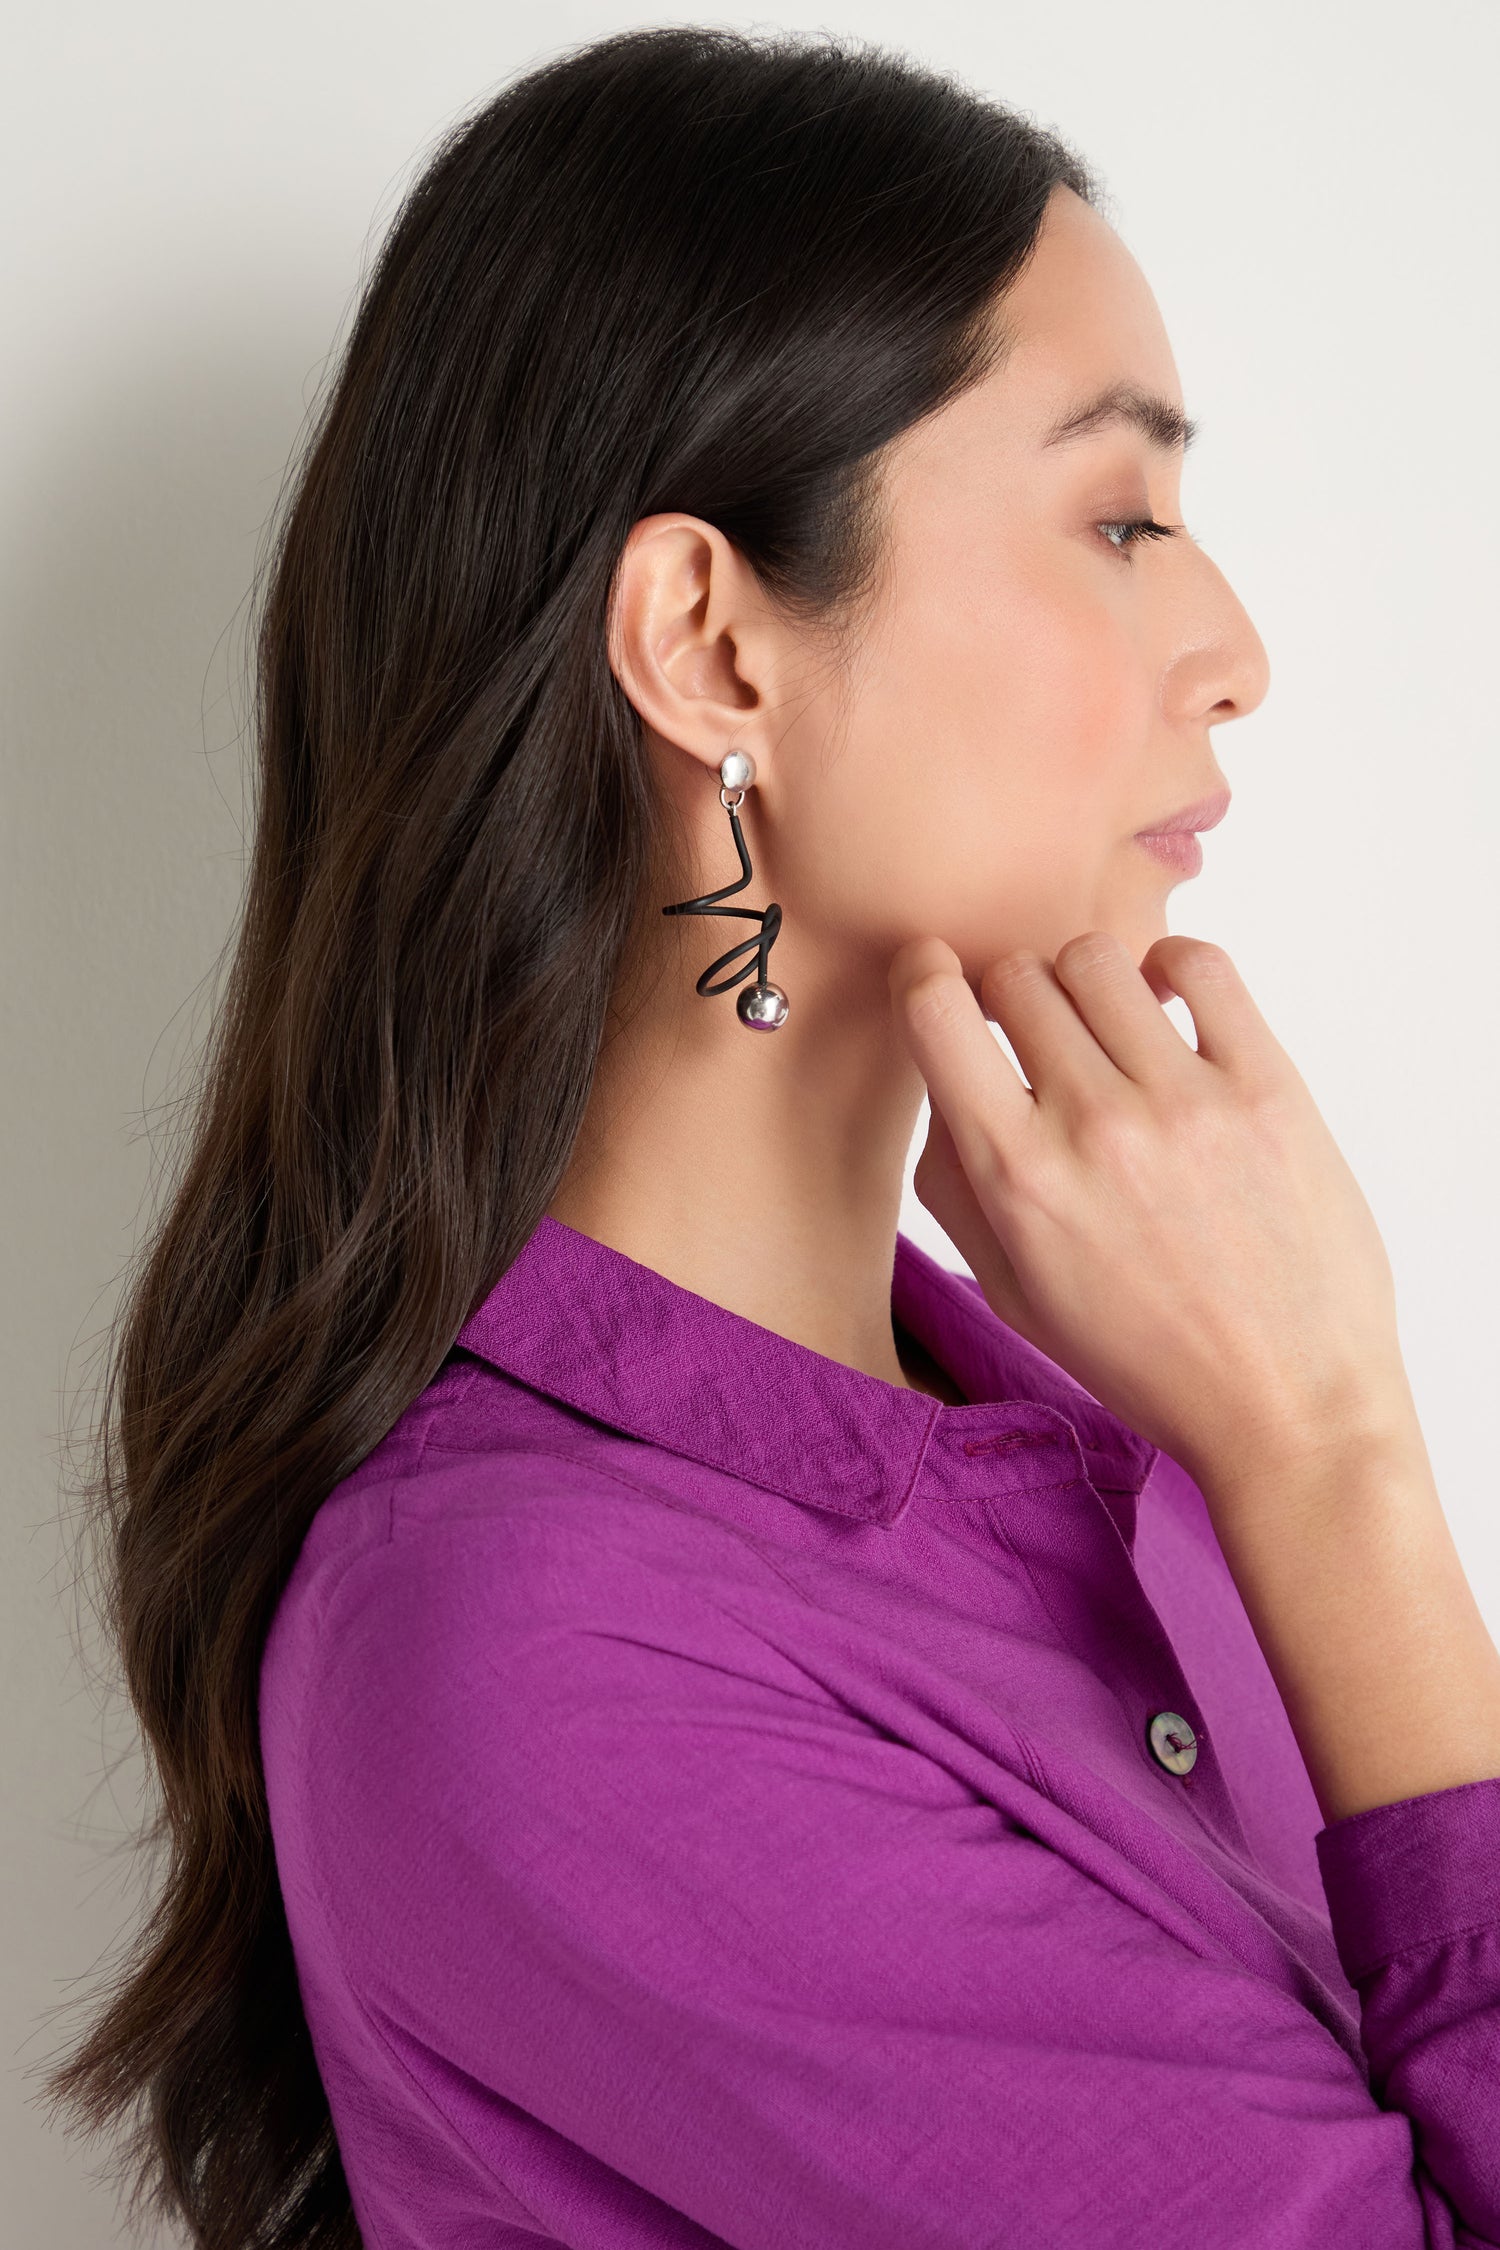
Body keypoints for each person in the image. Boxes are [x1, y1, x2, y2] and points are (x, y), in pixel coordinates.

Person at [44, 23, 1500, 2249]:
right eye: (1119, 517)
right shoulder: (543, 1658)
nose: (1234, 653)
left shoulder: (1087, 1425)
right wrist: (1345, 1474)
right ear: (713, 645)